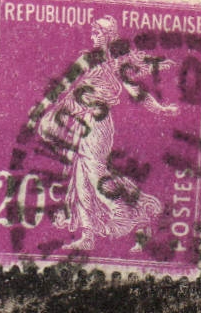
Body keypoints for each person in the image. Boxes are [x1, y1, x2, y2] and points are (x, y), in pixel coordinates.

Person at [41, 16, 177, 253]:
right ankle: (88, 235)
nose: (92, 34)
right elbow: (68, 88)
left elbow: (138, 92)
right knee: (81, 178)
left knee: (95, 175)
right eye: (92, 30)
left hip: (98, 125)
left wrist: (161, 109)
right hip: (80, 124)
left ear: (107, 35)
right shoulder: (86, 59)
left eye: (96, 31)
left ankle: (136, 215)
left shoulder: (118, 64)